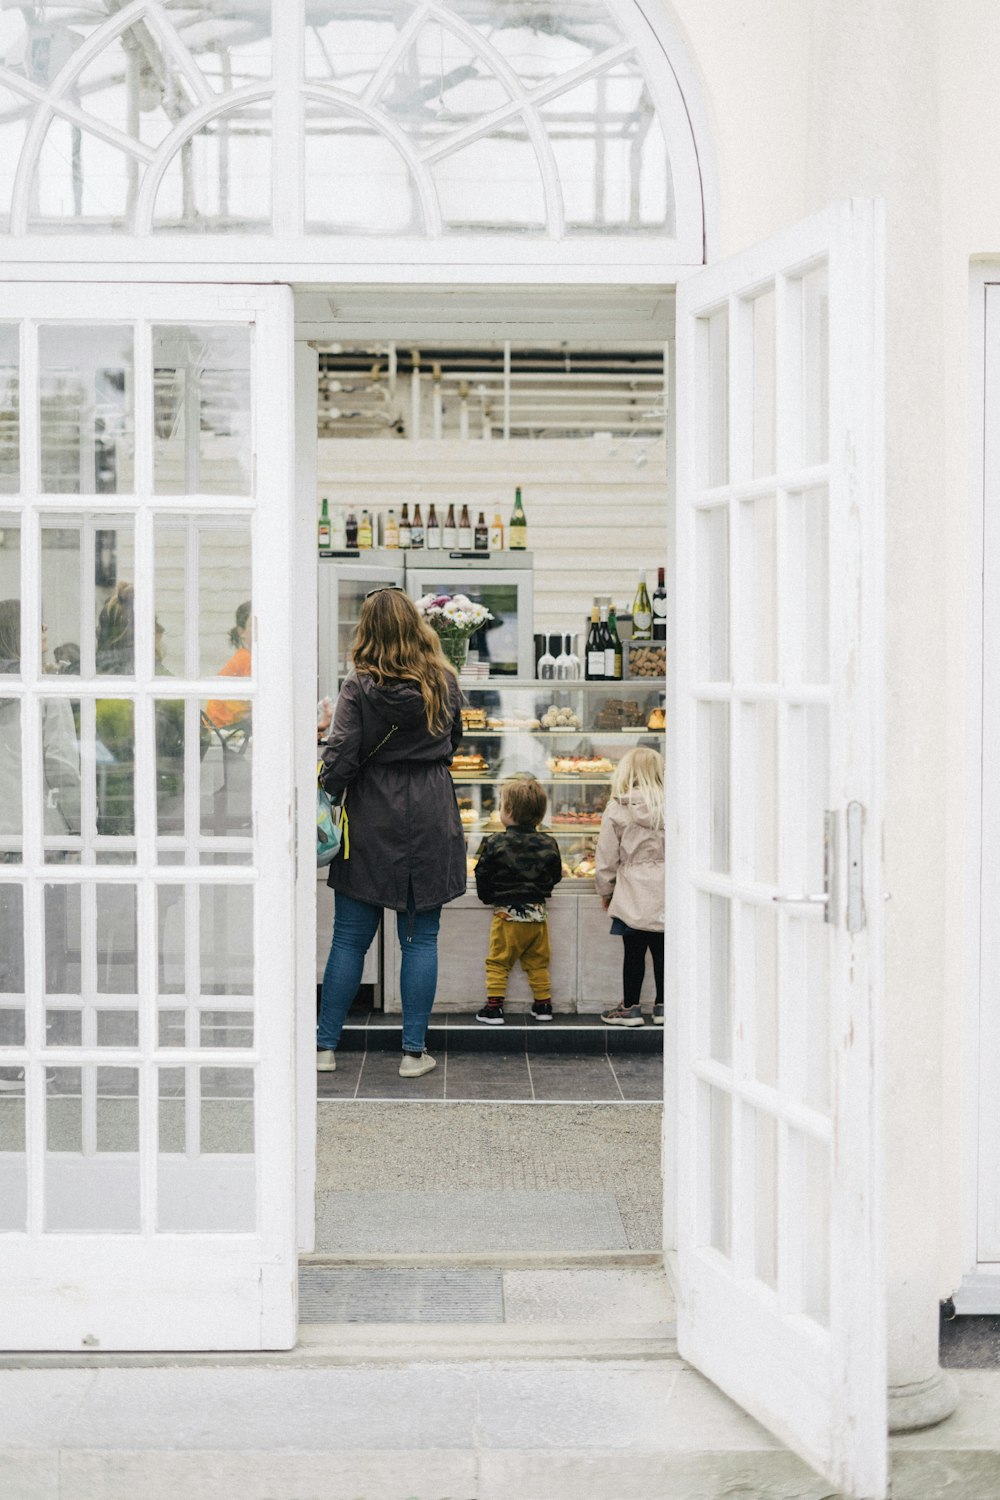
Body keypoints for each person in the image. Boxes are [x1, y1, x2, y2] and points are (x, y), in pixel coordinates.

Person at [317, 587, 465, 1078]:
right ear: (415, 626)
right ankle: (413, 1054)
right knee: (420, 940)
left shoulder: (358, 686)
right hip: (429, 810)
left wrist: (327, 791)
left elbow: (339, 757)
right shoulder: (443, 679)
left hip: (370, 816)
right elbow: (454, 741)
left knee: (349, 940)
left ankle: (324, 1047)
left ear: (367, 630)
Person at [473, 774, 563, 1025]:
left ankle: (494, 1009)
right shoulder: (549, 841)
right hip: (537, 915)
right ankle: (543, 1005)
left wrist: (488, 897)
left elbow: (482, 873)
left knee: (499, 961)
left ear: (508, 812)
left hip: (507, 916)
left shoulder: (495, 842)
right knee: (538, 962)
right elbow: (556, 874)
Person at [595, 746, 665, 1026]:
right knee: (663, 952)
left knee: (633, 953)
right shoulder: (672, 805)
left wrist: (605, 889)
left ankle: (630, 1008)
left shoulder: (618, 808)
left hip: (631, 890)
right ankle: (663, 1007)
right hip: (665, 890)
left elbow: (606, 856)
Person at [205, 601, 252, 730]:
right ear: (241, 632)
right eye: (254, 625)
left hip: (221, 725)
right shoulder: (247, 659)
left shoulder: (245, 656)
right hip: (225, 728)